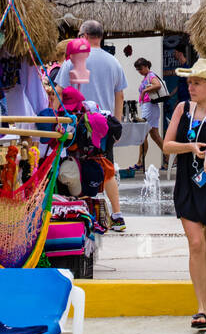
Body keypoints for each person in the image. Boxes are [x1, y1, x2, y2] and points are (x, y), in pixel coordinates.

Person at [161, 58, 206, 330]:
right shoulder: (182, 108)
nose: (190, 87)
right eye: (190, 82)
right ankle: (201, 307)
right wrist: (191, 148)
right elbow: (167, 145)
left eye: (197, 82)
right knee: (195, 243)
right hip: (188, 183)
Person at [56, 19, 127, 229]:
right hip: (104, 126)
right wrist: (118, 124)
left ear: (84, 37)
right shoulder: (114, 62)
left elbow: (59, 93)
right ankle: (117, 215)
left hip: (78, 124)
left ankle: (81, 215)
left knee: (76, 167)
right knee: (107, 169)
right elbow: (120, 96)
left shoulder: (73, 60)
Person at [133, 57, 167, 170]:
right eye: (138, 69)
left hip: (149, 107)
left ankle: (140, 162)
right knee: (154, 135)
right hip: (149, 107)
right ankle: (169, 157)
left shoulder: (150, 75)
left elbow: (158, 85)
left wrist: (144, 91)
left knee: (144, 135)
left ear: (146, 66)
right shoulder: (147, 77)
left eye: (140, 68)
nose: (139, 71)